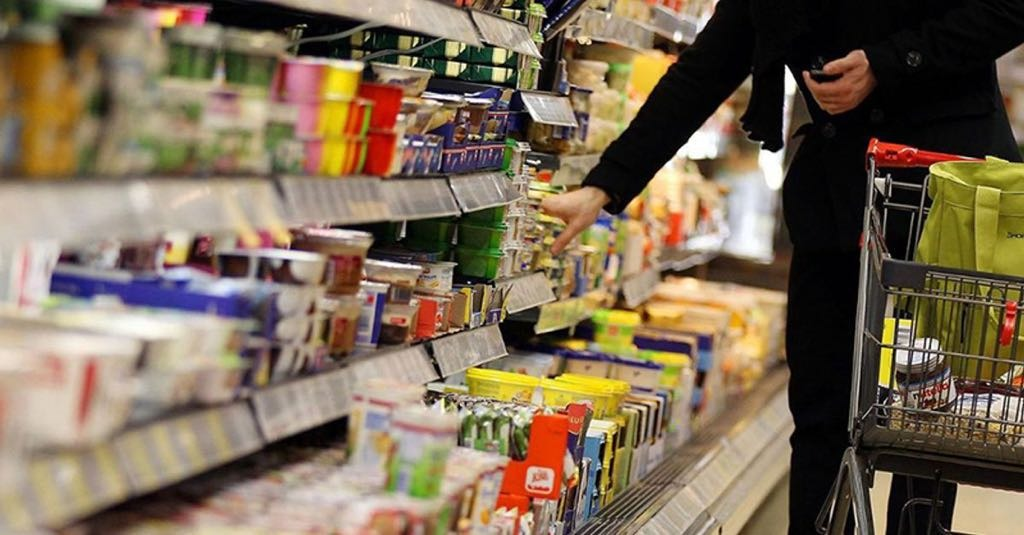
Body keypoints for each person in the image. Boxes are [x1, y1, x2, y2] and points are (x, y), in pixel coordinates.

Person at [540, 1, 1024, 533]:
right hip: (838, 196)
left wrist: (888, 63)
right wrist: (604, 185)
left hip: (944, 195)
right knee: (820, 414)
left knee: (928, 422)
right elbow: (708, 67)